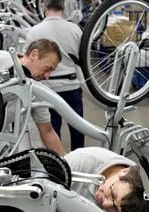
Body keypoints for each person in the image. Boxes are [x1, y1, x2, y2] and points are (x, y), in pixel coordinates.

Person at [25, 0, 84, 151]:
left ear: (44, 6)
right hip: (72, 86)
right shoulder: (75, 30)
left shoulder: (35, 31)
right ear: (64, 7)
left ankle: (57, 163)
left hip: (47, 88)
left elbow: (28, 62)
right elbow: (82, 59)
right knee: (78, 129)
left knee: (51, 130)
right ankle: (79, 161)